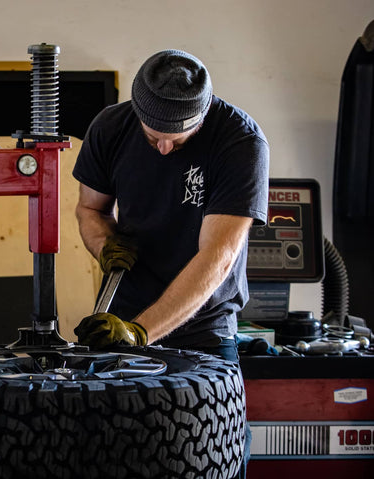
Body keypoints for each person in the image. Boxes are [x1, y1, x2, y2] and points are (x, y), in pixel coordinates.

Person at [72, 49, 269, 478]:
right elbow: (90, 210)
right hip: (120, 326)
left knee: (211, 460)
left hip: (204, 333)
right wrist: (104, 244)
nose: (164, 148)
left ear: (203, 113)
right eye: (153, 136)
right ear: (136, 109)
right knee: (117, 460)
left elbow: (216, 259)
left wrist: (141, 333)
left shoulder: (240, 143)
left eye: (178, 138)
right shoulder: (110, 127)